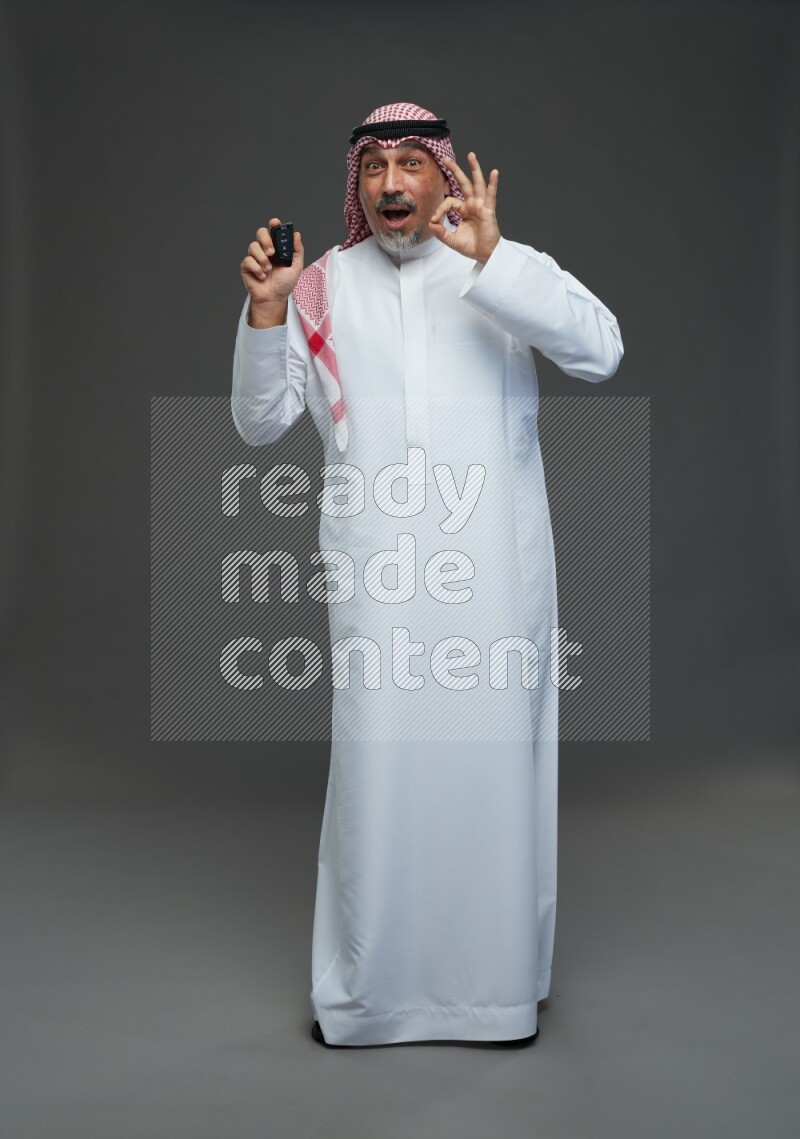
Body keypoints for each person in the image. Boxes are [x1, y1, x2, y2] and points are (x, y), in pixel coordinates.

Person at [231, 102, 623, 1048]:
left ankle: (494, 994)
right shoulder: (320, 285)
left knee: (492, 768)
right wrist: (265, 309)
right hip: (377, 574)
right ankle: (368, 999)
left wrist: (497, 259)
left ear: (447, 176)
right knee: (379, 774)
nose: (394, 182)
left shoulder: (495, 267)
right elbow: (257, 424)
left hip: (492, 572)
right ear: (359, 185)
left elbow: (601, 352)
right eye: (376, 167)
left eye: (413, 162)